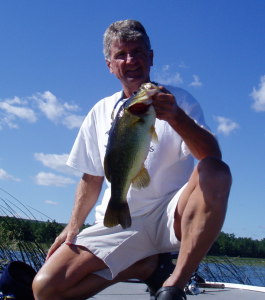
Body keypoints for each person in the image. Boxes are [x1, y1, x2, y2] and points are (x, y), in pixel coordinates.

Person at [32, 20, 232, 300]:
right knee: (44, 288)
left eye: (138, 51)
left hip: (170, 216)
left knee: (216, 171)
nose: (131, 59)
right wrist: (73, 225)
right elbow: (91, 178)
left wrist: (176, 116)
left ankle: (175, 284)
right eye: (121, 54)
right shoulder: (100, 111)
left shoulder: (179, 101)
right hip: (119, 222)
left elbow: (211, 156)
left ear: (151, 56)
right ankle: (142, 266)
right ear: (109, 65)